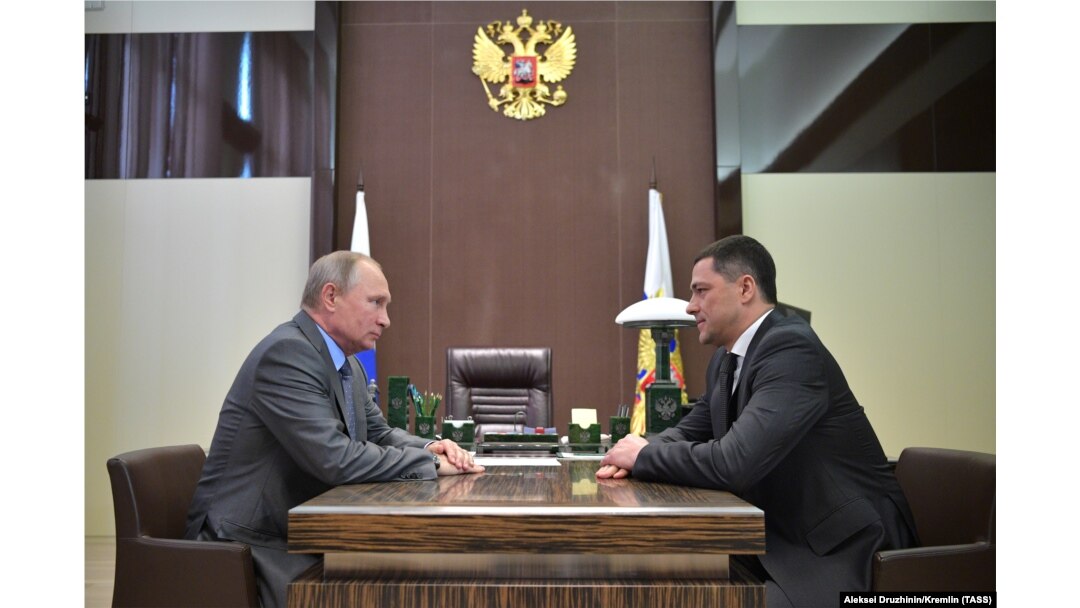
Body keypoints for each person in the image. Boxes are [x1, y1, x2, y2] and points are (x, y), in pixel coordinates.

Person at [598, 235, 916, 607]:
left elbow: (735, 462)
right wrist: (641, 450)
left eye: (701, 291)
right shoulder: (726, 359)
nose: (690, 306)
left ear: (745, 287)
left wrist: (643, 457)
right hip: (776, 539)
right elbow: (689, 431)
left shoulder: (791, 349)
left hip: (839, 549)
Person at [185, 251, 484, 608]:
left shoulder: (347, 366)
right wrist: (430, 467)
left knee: (413, 576)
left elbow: (381, 433)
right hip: (250, 544)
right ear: (331, 297)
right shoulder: (287, 354)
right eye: (376, 303)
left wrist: (431, 448)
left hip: (296, 531)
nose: (386, 320)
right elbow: (335, 458)